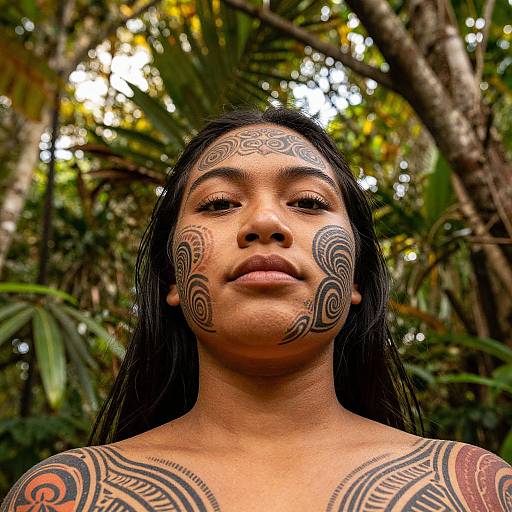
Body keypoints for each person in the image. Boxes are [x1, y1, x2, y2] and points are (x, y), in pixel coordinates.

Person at [2, 108, 511, 511]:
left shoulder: (479, 492)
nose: (265, 222)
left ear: (355, 277)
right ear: (172, 278)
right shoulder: (66, 498)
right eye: (220, 203)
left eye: (309, 202)